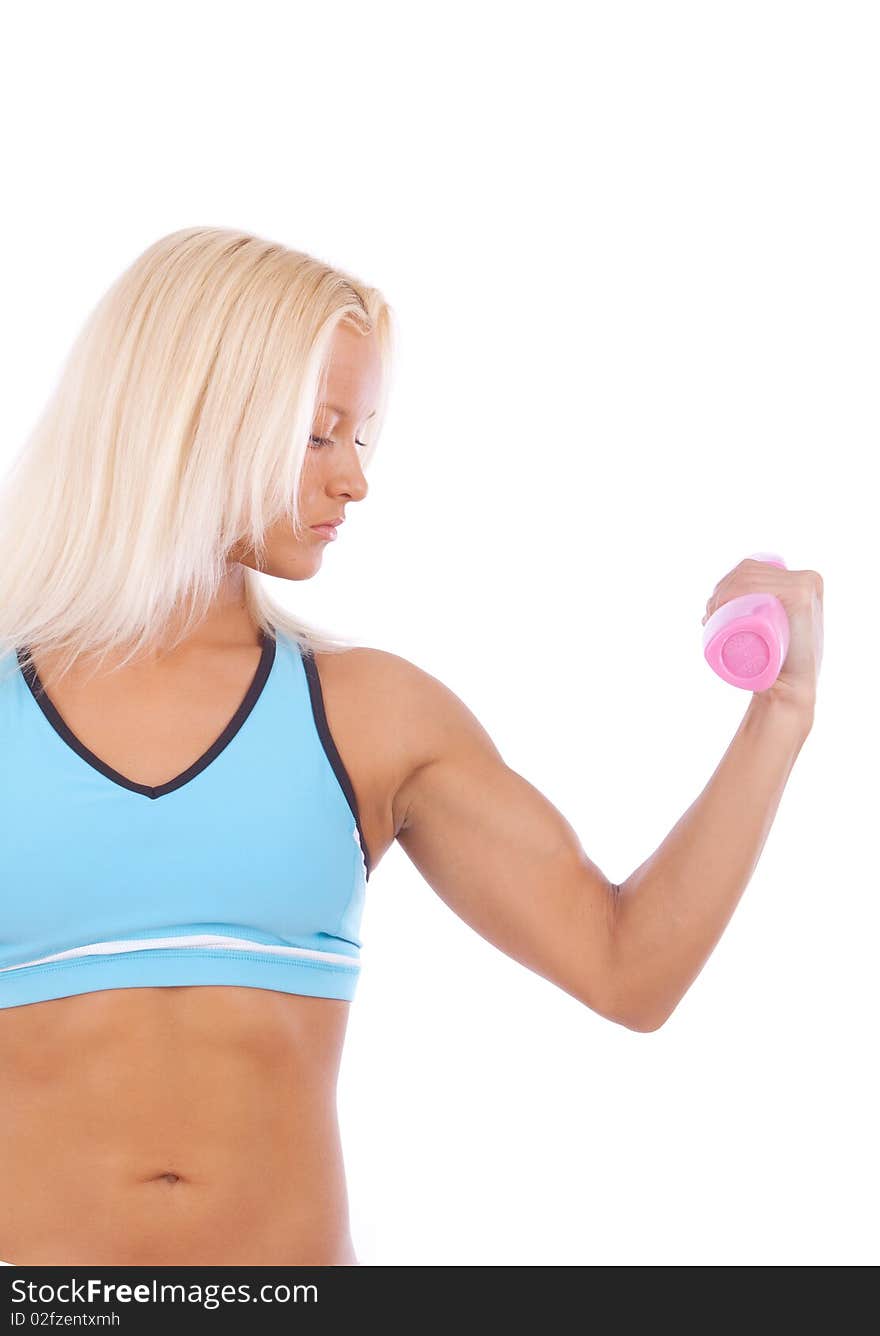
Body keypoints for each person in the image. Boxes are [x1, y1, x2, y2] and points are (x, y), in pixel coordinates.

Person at [0, 227, 823, 1267]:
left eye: (363, 437)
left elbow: (628, 970)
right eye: (319, 434)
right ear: (195, 419)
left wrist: (779, 715)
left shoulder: (371, 716)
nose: (355, 480)